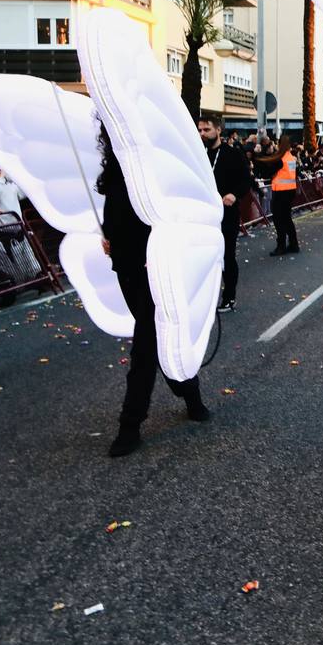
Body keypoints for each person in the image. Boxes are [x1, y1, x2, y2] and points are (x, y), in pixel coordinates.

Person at [97, 127, 209, 457]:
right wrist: (109, 238)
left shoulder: (155, 163)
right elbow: (116, 210)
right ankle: (190, 392)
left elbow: (172, 211)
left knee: (145, 341)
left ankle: (130, 425)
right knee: (156, 336)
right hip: (126, 265)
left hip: (155, 265)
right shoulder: (116, 164)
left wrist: (163, 252)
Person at [198, 113, 254, 312]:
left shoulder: (232, 153)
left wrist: (234, 194)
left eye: (207, 129)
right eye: (200, 130)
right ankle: (205, 297)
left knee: (226, 256)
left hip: (227, 214)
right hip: (203, 216)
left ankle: (229, 296)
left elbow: (246, 180)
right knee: (204, 257)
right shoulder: (198, 154)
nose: (202, 133)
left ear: (218, 130)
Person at [264, 135, 299, 256]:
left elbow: (267, 172)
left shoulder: (280, 158)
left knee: (279, 221)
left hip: (280, 192)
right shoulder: (291, 158)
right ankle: (294, 244)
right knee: (287, 219)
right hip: (290, 191)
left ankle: (281, 246)